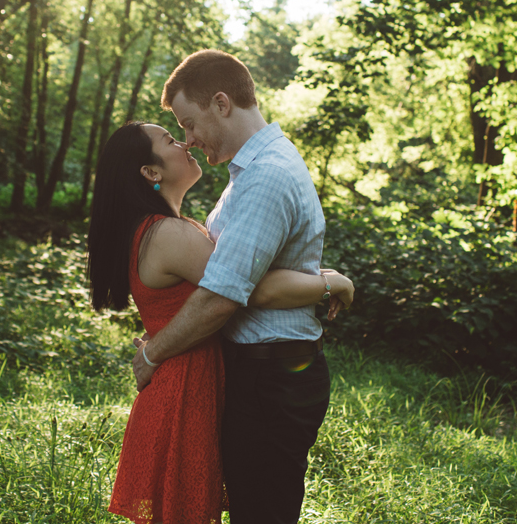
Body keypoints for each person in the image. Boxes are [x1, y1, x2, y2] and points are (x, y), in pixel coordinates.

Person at [90, 120, 354, 524]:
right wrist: (330, 282)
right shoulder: (168, 235)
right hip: (183, 391)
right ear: (150, 172)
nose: (185, 143)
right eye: (171, 139)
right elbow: (253, 289)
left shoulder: (159, 230)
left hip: (184, 383)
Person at [128, 49, 333, 523]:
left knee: (261, 513)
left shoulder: (265, 177)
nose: (188, 139)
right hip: (257, 373)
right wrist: (325, 282)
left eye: (189, 123)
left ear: (221, 103)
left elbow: (223, 295)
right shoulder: (246, 171)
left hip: (271, 377)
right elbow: (242, 274)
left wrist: (152, 355)